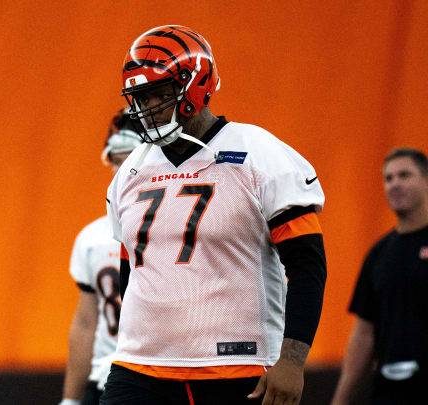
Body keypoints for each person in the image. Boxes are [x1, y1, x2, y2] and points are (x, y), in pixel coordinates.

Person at [100, 25, 328, 405]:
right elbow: (133, 271)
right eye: (141, 96)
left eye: (159, 93)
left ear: (195, 85)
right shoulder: (131, 170)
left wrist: (292, 360)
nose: (149, 107)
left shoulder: (259, 153)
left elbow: (307, 265)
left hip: (237, 366)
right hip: (139, 368)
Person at [331, 148, 428, 405]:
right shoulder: (379, 253)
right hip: (390, 392)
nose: (395, 184)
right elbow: (364, 333)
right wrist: (341, 399)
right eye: (389, 178)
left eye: (404, 175)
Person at [60, 109, 145, 405]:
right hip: (108, 380)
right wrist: (70, 400)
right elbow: (85, 323)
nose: (123, 172)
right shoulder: (93, 238)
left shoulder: (180, 228)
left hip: (166, 376)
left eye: (132, 160)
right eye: (117, 162)